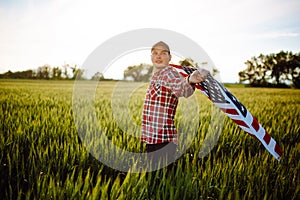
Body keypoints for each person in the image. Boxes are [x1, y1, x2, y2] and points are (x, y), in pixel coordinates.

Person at [141, 41, 208, 170]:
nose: (158, 56)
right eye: (155, 53)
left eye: (163, 53)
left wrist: (190, 80)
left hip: (162, 140)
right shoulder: (156, 75)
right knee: (156, 178)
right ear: (151, 57)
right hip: (153, 138)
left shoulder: (168, 73)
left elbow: (181, 88)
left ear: (170, 58)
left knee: (161, 180)